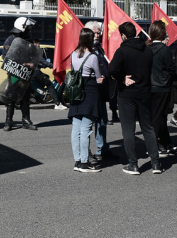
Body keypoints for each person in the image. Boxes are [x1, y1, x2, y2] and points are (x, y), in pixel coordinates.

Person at [106, 21, 162, 175]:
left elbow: (112, 69)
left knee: (128, 130)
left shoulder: (122, 51)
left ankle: (133, 164)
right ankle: (156, 163)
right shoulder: (147, 50)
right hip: (144, 92)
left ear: (123, 36)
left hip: (127, 94)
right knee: (148, 128)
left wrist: (122, 78)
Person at [68, 29, 103, 173]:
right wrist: (100, 79)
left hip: (75, 94)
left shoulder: (73, 54)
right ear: (89, 40)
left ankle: (77, 161)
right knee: (86, 129)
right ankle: (84, 162)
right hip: (89, 93)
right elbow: (98, 77)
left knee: (76, 128)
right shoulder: (92, 57)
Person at [84, 21, 114, 164]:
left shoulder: (100, 48)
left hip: (101, 91)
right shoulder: (84, 50)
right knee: (88, 123)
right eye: (94, 33)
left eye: (98, 33)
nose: (97, 35)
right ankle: (87, 152)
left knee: (102, 121)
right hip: (90, 91)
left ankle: (102, 149)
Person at [2, 17, 39, 132]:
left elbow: (34, 55)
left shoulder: (28, 39)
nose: (29, 29)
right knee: (11, 97)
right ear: (22, 27)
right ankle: (8, 121)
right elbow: (5, 56)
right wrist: (19, 62)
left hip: (25, 72)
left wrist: (32, 62)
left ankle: (26, 120)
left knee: (26, 97)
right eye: (27, 27)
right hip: (14, 72)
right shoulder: (11, 39)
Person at [148, 21, 177, 156]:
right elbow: (171, 68)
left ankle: (166, 142)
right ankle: (156, 144)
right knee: (160, 117)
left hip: (149, 86)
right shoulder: (165, 49)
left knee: (157, 116)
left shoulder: (147, 48)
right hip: (162, 86)